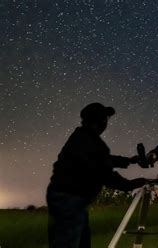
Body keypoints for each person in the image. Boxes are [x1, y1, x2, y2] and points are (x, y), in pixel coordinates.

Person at [47, 102, 149, 248]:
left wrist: (129, 161)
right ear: (102, 121)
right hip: (70, 200)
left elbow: (100, 160)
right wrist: (131, 184)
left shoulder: (81, 137)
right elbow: (104, 173)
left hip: (66, 198)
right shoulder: (91, 142)